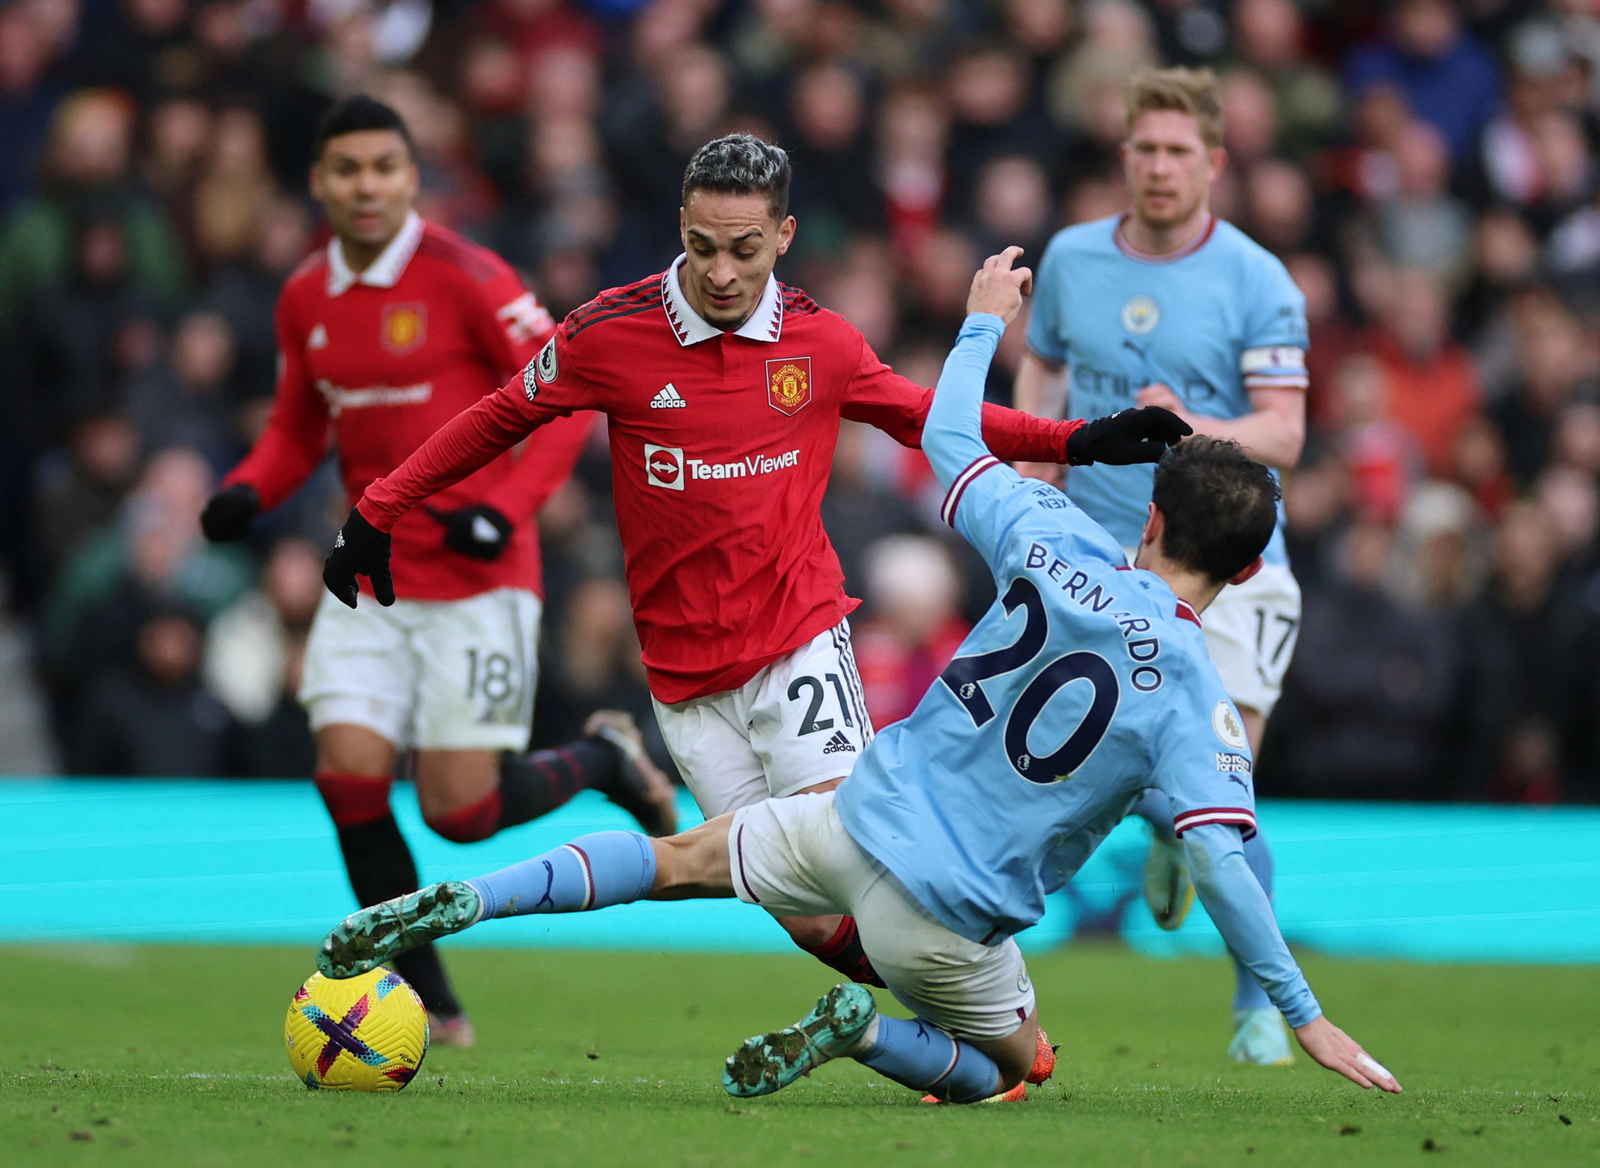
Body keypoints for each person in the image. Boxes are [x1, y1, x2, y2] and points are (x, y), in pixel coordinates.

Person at [313, 250, 1401, 1106]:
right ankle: (871, 1031)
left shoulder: (1050, 533)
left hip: (850, 818)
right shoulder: (1197, 700)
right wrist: (1297, 1008)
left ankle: (462, 900)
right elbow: (1218, 850)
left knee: (678, 856)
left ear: (1150, 516)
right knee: (1024, 1064)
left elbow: (951, 435)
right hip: (946, 920)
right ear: (1251, 565)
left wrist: (983, 320)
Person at [320, 131, 1180, 990]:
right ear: (681, 226)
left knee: (853, 858)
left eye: (743, 249)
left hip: (796, 641)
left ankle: (1006, 1029)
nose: (721, 272)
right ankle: (967, 1015)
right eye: (702, 247)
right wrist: (379, 508)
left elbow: (932, 419)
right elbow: (499, 415)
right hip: (683, 677)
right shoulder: (606, 335)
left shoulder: (823, 344)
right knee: (810, 919)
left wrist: (1076, 439)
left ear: (784, 236)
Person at [198, 96, 678, 1047]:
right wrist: (248, 490)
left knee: (461, 816)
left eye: (384, 166)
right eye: (348, 169)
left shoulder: (469, 276)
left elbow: (566, 395)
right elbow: (300, 425)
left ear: (413, 177)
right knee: (349, 780)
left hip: (477, 579)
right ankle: (429, 1000)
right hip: (366, 574)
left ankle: (599, 758)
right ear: (320, 182)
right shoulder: (305, 297)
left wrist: (507, 509)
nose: (366, 185)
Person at [1012, 66, 1310, 1066]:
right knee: (1073, 769)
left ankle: (1257, 1008)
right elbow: (1043, 378)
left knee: (1227, 788)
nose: (1159, 167)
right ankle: (1159, 838)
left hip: (1229, 564)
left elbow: (1287, 431)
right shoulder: (1069, 258)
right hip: (1101, 555)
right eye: (1143, 148)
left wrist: (1193, 428)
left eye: (1179, 150)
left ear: (1213, 162)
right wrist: (1029, 485)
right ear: (1123, 155)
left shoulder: (1256, 279)